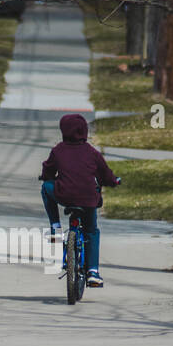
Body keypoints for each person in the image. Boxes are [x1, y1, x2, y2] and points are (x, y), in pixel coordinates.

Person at [39, 113, 120, 288]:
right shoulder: (92, 152)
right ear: (84, 131)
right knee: (91, 231)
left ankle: (55, 227)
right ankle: (93, 272)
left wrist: (46, 177)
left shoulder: (58, 150)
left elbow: (48, 170)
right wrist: (114, 181)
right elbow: (105, 174)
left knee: (46, 188)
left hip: (64, 195)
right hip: (88, 198)